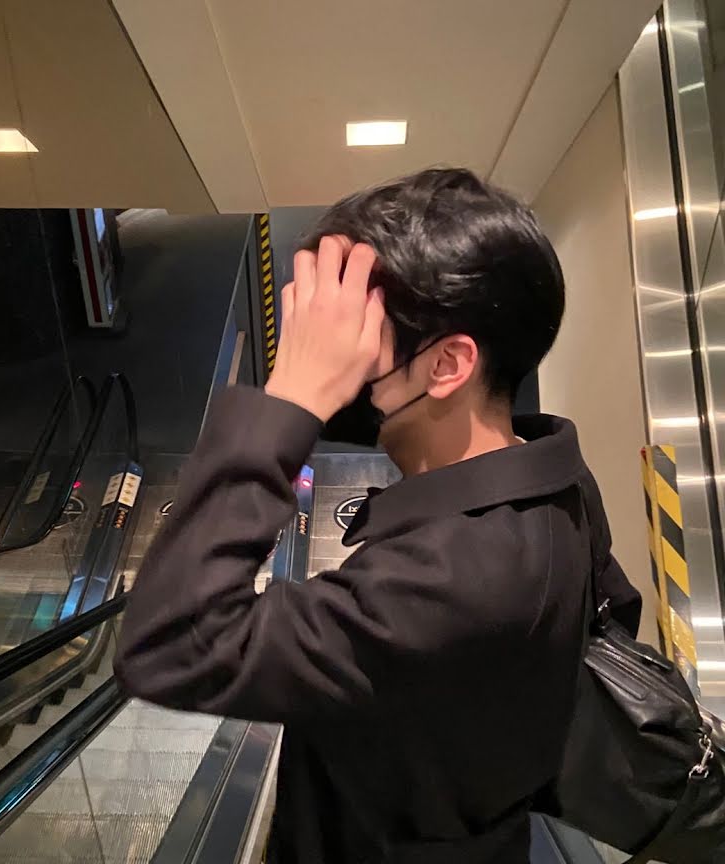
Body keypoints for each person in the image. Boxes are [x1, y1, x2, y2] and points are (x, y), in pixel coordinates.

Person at [114, 168, 642, 863]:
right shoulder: (555, 476)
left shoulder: (450, 579)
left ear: (447, 364)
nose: (335, 352)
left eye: (359, 332)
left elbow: (171, 646)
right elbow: (614, 614)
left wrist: (292, 397)